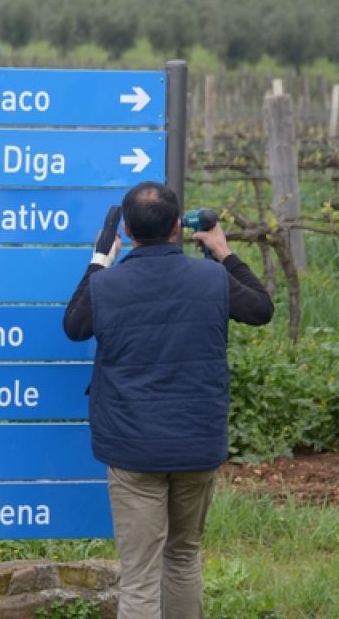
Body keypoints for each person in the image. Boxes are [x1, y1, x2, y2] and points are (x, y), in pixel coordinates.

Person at [62, 181, 273, 619]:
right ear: (179, 227)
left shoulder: (107, 286)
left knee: (139, 574)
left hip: (132, 449)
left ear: (127, 232)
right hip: (197, 445)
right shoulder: (214, 279)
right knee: (182, 557)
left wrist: (100, 259)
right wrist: (223, 251)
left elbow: (74, 325)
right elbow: (260, 309)